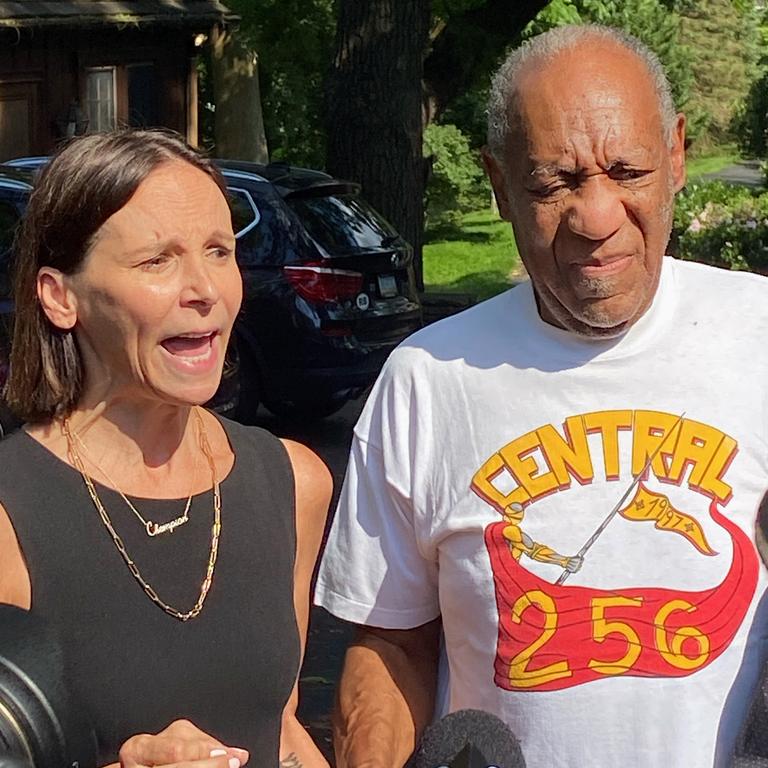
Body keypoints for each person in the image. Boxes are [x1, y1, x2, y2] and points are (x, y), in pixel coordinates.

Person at [314, 24, 768, 768]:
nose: (596, 217)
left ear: (678, 153)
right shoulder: (427, 379)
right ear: (498, 185)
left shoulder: (760, 333)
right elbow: (391, 640)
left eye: (626, 170)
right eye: (553, 183)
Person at [0, 130, 332, 768]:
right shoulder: (10, 515)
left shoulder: (293, 481)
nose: (205, 289)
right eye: (158, 261)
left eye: (218, 251)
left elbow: (280, 727)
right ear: (60, 296)